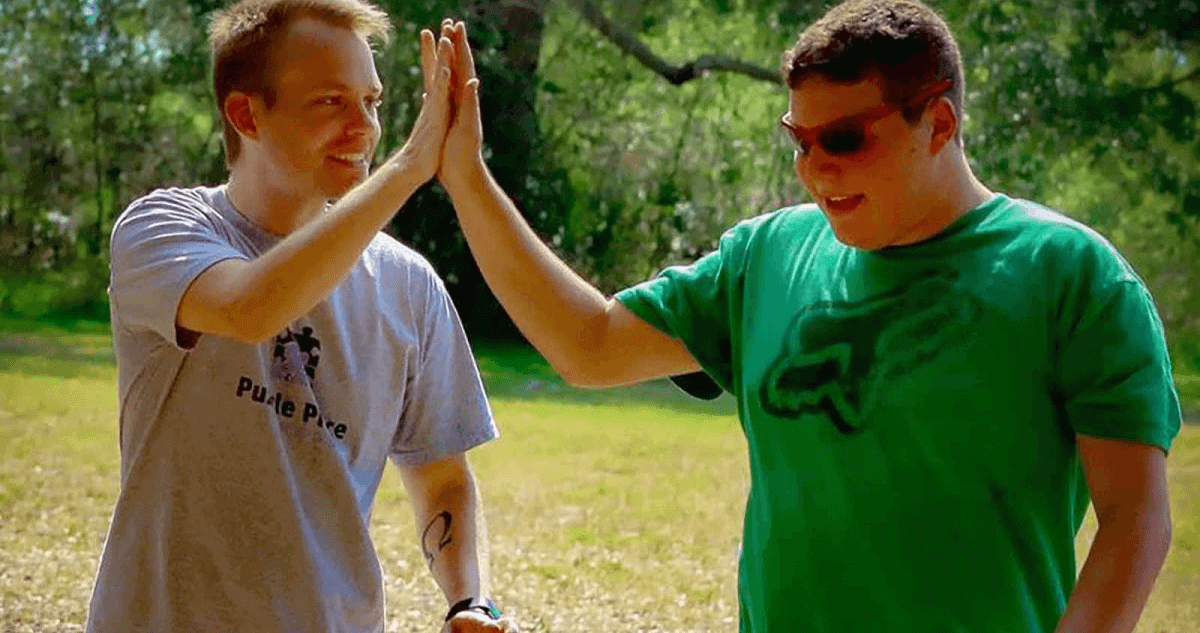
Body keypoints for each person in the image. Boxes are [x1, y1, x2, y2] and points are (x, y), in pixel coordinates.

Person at [430, 1, 1181, 631]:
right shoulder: (765, 256)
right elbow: (590, 345)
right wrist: (467, 177)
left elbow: (1134, 522)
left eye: (845, 138)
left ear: (939, 123)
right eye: (800, 140)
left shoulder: (1072, 275)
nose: (815, 168)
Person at [92, 1, 513, 631]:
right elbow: (249, 307)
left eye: (371, 101)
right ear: (246, 115)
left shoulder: (409, 285)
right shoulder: (163, 229)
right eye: (331, 102)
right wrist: (408, 168)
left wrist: (469, 600)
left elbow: (443, 476)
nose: (365, 128)